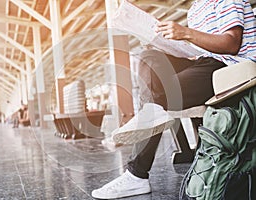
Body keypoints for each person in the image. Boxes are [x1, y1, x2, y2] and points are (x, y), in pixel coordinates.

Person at [91, 0, 256, 199]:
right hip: (203, 63)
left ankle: (136, 173)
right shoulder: (196, 8)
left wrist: (186, 33)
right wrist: (166, 44)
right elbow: (199, 52)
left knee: (158, 99)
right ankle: (152, 112)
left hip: (228, 67)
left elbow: (231, 44)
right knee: (149, 57)